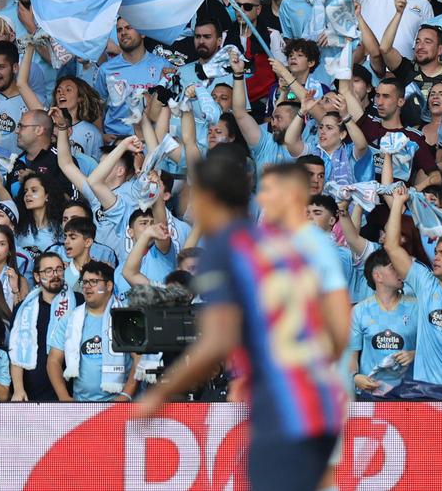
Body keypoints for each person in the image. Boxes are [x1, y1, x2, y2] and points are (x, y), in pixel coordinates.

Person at [136, 151, 343, 490]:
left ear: (208, 197)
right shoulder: (280, 244)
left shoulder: (225, 247)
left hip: (282, 409)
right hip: (321, 400)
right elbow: (332, 332)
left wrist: (159, 394)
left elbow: (216, 342)